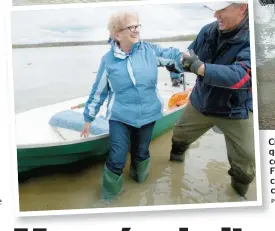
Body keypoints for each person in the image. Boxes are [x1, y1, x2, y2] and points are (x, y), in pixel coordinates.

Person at [80, 11, 183, 201]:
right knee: (117, 157)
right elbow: (99, 91)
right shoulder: (108, 60)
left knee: (141, 152)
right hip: (120, 116)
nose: (137, 30)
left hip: (148, 113)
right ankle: (108, 198)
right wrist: (88, 118)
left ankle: (140, 187)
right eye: (131, 27)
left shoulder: (150, 51)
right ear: (117, 34)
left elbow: (174, 56)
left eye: (138, 26)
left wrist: (190, 60)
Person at [167, 0, 254, 198]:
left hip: (235, 111)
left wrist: (199, 67)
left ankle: (239, 195)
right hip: (200, 104)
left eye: (221, 9)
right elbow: (189, 54)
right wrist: (176, 65)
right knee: (178, 138)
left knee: (246, 166)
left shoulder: (256, 38)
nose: (216, 15)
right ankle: (176, 162)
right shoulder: (207, 31)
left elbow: (243, 76)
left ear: (243, 7)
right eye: (214, 10)